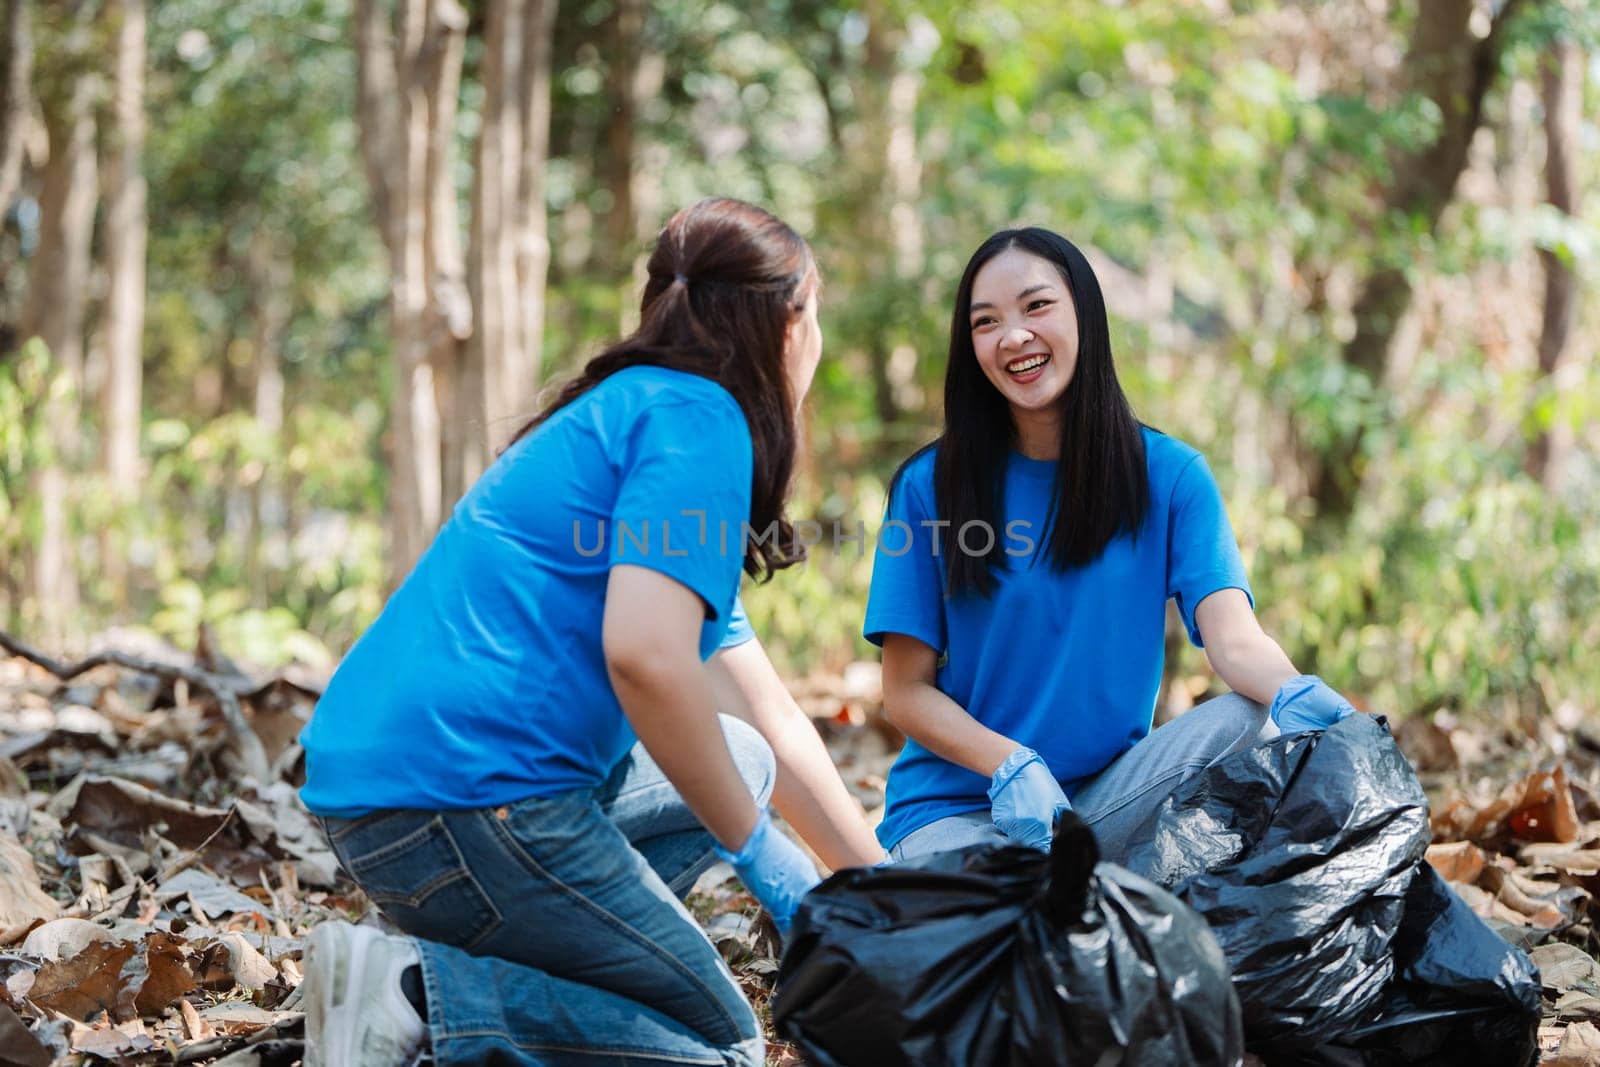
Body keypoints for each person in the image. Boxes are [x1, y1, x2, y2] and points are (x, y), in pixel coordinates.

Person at [296, 197, 886, 1067]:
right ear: (786, 324)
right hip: (459, 806)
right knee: (717, 1045)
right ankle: (417, 996)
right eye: (819, 309)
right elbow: (645, 660)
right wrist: (760, 851)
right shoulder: (700, 421)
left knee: (744, 761)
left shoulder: (639, 408)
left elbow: (765, 716)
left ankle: (502, 965)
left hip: (399, 795)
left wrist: (884, 893)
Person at [864, 226, 1358, 863]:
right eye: (987, 322)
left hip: (1105, 804)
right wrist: (1009, 764)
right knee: (1004, 921)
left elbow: (1234, 641)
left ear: (1085, 315)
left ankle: (1110, 888)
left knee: (1248, 717)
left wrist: (1306, 698)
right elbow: (905, 692)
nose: (1014, 336)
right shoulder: (929, 486)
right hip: (964, 809)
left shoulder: (1171, 476)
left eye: (1037, 306)